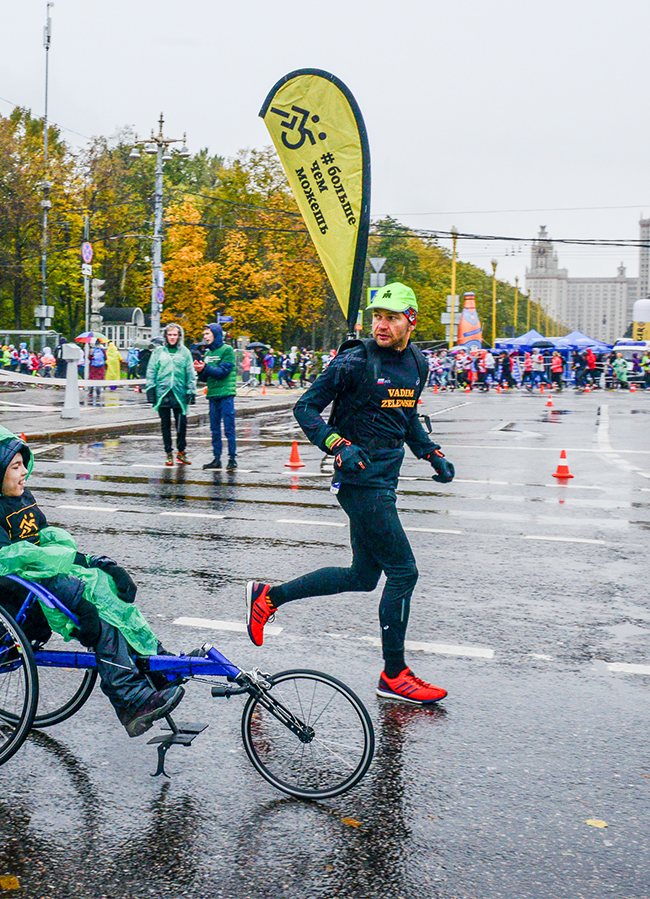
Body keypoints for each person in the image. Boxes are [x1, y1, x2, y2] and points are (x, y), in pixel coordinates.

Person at [245, 282, 456, 706]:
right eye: (377, 316)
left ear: (410, 321)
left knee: (363, 577)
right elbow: (304, 407)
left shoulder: (417, 362)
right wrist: (337, 444)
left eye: (391, 317)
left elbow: (406, 414)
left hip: (387, 477)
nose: (380, 324)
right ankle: (394, 674)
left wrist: (430, 452)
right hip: (360, 482)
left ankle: (269, 596)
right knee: (404, 572)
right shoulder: (355, 361)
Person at [0, 414, 185, 737]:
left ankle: (155, 660)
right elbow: (0, 563)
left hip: (33, 577)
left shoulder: (16, 496)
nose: (25, 471)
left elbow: (42, 538)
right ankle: (128, 698)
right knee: (93, 610)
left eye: (22, 464)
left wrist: (93, 561)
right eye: (15, 467)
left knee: (106, 587)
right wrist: (72, 582)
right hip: (1, 594)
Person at [146, 322, 194, 466]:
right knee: (165, 425)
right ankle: (168, 453)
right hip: (162, 394)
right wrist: (150, 390)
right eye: (170, 334)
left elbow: (190, 372)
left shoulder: (185, 352)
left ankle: (181, 452)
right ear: (166, 336)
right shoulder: (158, 352)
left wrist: (190, 391)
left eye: (175, 335)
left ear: (179, 336)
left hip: (179, 394)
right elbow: (151, 371)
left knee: (181, 425)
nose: (172, 337)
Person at [195, 322, 238, 469]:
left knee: (228, 427)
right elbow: (205, 378)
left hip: (226, 393)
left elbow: (222, 372)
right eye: (204, 334)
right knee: (214, 428)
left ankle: (232, 459)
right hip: (213, 394)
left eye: (208, 333)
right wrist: (200, 370)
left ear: (216, 334)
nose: (205, 337)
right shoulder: (207, 353)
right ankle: (216, 458)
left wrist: (205, 368)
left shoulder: (227, 350)